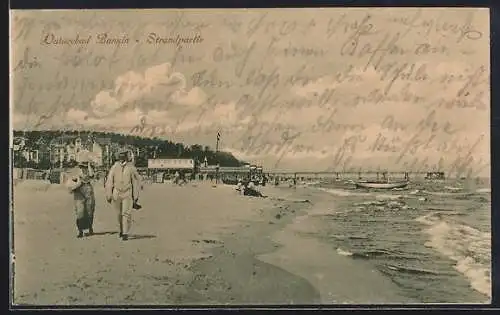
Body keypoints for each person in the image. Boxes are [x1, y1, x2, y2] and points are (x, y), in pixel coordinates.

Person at [105, 149, 142, 241]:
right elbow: (109, 181)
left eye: (123, 155)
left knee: (126, 213)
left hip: (127, 192)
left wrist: (135, 196)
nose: (121, 157)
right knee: (118, 214)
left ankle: (125, 233)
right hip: (116, 193)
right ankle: (120, 230)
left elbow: (137, 180)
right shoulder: (114, 167)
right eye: (120, 155)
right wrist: (108, 194)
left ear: (126, 156)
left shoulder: (131, 167)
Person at [65, 154, 96, 238]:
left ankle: (89, 227)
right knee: (80, 212)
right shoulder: (75, 171)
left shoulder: (90, 170)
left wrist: (89, 165)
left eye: (85, 165)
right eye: (82, 165)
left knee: (90, 211)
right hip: (78, 192)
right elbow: (70, 182)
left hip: (88, 190)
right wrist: (74, 184)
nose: (83, 167)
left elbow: (91, 175)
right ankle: (80, 231)